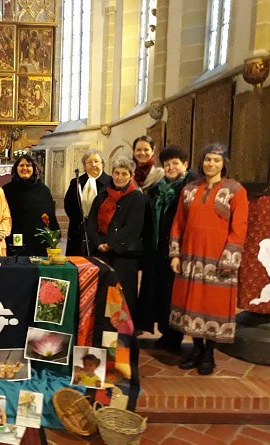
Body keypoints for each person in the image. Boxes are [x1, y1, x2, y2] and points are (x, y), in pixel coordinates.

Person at [169, 143, 248, 375]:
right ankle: (195, 350)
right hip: (190, 257)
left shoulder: (236, 190)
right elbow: (178, 224)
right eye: (207, 159)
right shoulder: (189, 189)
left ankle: (208, 354)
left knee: (211, 305)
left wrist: (229, 258)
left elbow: (240, 226)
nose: (210, 164)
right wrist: (175, 254)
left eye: (215, 160)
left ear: (224, 164)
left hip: (217, 259)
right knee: (191, 305)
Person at [136, 146, 198, 351]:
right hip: (156, 252)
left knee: (174, 295)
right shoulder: (157, 187)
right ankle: (165, 332)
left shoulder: (191, 187)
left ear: (185, 164)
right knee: (159, 294)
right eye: (167, 164)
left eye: (175, 163)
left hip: (178, 252)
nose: (171, 167)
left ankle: (175, 335)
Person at [87, 157, 145, 319]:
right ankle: (103, 329)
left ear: (131, 175)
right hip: (102, 251)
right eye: (116, 173)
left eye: (124, 174)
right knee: (103, 293)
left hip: (124, 254)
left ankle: (122, 334)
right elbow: (91, 221)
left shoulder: (137, 197)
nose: (119, 177)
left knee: (121, 295)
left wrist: (111, 244)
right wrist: (98, 243)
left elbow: (133, 227)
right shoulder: (103, 194)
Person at [3, 154, 59, 256]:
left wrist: (53, 237)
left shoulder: (43, 190)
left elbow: (50, 215)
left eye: (28, 165)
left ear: (34, 168)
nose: (25, 168)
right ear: (16, 168)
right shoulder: (6, 190)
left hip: (37, 240)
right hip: (14, 236)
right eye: (21, 165)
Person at [64, 149, 111, 256]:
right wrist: (80, 220)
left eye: (96, 161)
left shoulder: (110, 182)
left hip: (102, 230)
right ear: (84, 166)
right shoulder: (76, 182)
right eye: (89, 162)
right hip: (79, 230)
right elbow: (69, 205)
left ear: (102, 164)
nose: (93, 164)